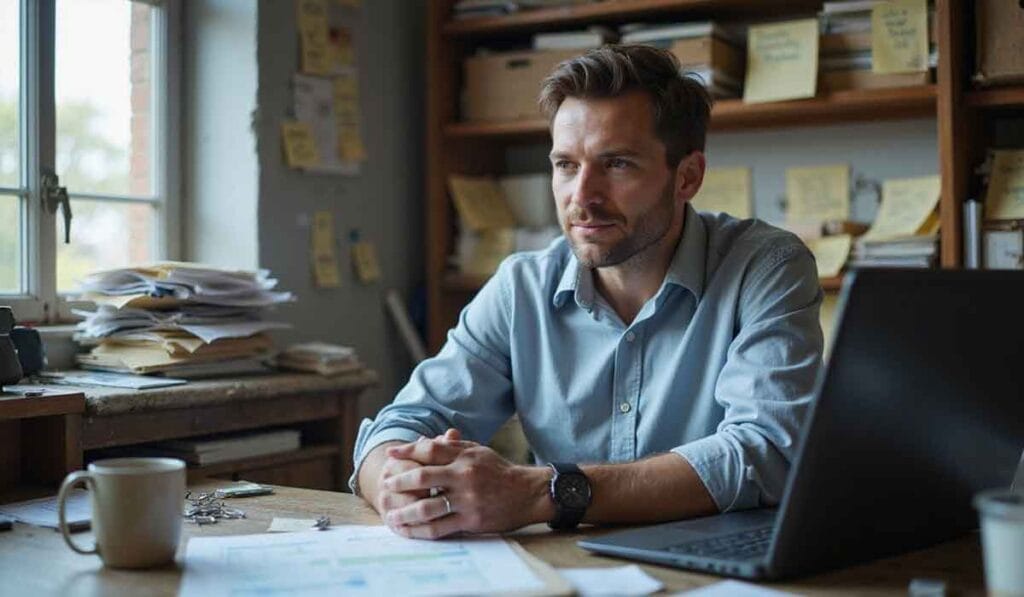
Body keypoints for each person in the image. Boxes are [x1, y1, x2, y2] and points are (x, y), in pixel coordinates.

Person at [352, 45, 824, 540]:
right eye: (565, 165)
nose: (582, 196)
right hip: (567, 569)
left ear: (687, 177)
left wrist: (542, 492)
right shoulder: (522, 287)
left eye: (616, 164)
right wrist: (395, 480)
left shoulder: (766, 267)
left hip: (717, 567)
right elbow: (407, 421)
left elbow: (766, 452)